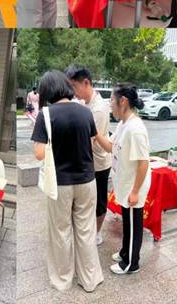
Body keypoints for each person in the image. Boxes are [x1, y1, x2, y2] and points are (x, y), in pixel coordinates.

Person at [32, 71, 104, 293]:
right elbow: (91, 142)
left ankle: (63, 279)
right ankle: (89, 279)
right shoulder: (85, 112)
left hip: (60, 183)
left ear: (47, 91)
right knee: (86, 230)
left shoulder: (45, 115)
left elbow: (39, 154)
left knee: (61, 231)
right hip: (87, 180)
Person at [95, 84, 151, 275]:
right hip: (126, 183)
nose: (110, 104)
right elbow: (110, 147)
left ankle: (131, 263)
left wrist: (135, 192)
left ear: (123, 101)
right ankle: (125, 252)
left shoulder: (135, 129)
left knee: (134, 224)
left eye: (112, 99)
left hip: (134, 186)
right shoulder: (123, 124)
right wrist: (95, 132)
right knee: (127, 222)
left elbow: (143, 163)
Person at [65, 65, 112, 247]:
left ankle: (97, 233)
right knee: (87, 201)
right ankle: (88, 231)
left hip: (98, 163)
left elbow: (89, 140)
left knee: (99, 202)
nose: (73, 92)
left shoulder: (98, 109)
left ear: (86, 83)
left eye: (74, 87)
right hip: (88, 161)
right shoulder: (85, 103)